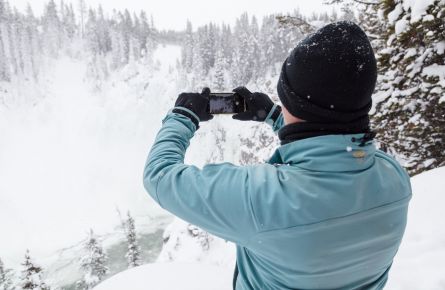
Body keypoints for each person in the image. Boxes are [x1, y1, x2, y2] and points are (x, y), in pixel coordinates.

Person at [143, 21, 412, 290]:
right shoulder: (393, 180)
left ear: (296, 104)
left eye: (285, 99)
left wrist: (183, 117)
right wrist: (274, 117)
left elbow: (159, 176)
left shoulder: (259, 199)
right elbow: (333, 157)